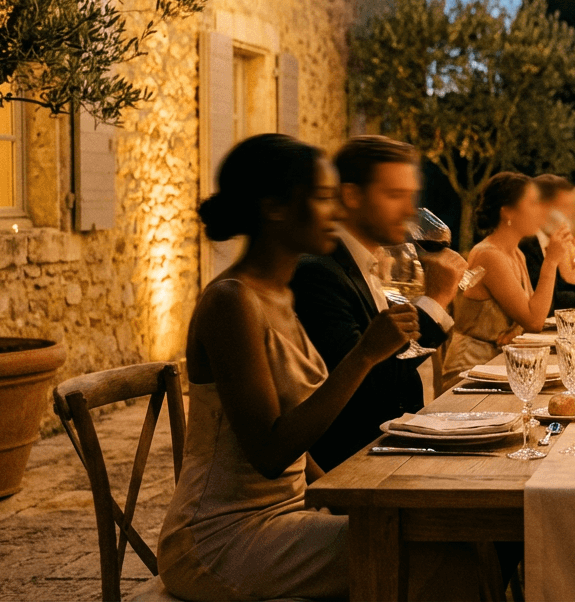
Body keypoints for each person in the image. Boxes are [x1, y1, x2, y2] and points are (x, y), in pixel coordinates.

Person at [159, 134, 419, 601]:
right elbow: (271, 449)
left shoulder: (280, 294)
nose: (337, 212)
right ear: (276, 207)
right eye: (322, 198)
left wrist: (337, 495)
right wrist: (364, 354)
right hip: (222, 538)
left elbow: (297, 459)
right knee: (427, 550)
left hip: (285, 517)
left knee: (431, 535)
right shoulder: (231, 301)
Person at [289, 135, 467, 472]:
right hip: (357, 465)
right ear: (352, 196)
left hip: (395, 450)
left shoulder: (368, 265)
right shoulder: (319, 273)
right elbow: (365, 388)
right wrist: (437, 299)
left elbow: (395, 353)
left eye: (410, 196)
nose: (408, 211)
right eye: (394, 195)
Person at [440, 172, 571, 389]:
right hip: (469, 371)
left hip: (498, 366)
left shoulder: (515, 253)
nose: (540, 210)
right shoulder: (489, 255)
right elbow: (535, 321)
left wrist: (517, 328)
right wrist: (551, 262)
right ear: (507, 211)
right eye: (532, 203)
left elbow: (527, 319)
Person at [519, 174, 575, 309]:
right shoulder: (525, 244)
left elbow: (567, 285)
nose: (570, 214)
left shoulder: (552, 239)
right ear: (542, 206)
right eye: (564, 207)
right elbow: (551, 301)